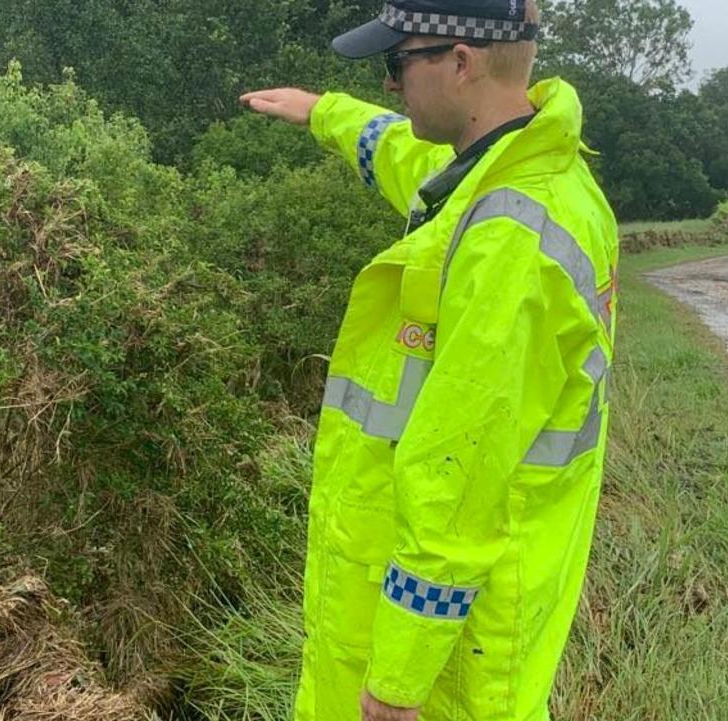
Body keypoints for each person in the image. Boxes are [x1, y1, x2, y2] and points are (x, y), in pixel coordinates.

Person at [240, 1, 619, 719]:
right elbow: (405, 154)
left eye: (397, 65)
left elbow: (460, 480)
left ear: (461, 62)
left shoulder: (509, 245)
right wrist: (323, 112)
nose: (390, 87)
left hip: (448, 656)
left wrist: (398, 682)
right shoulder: (528, 173)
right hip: (487, 603)